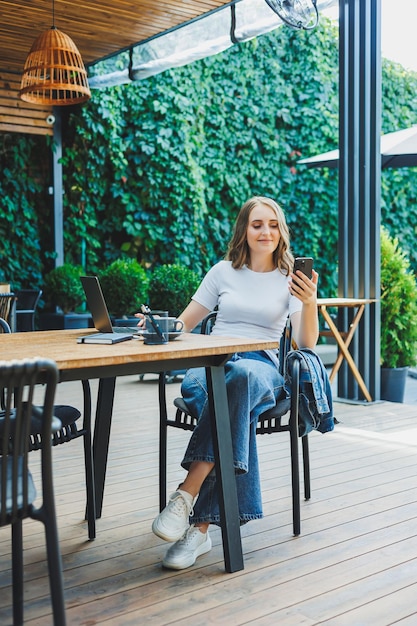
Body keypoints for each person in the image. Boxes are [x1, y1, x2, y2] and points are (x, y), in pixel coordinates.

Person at [151, 196, 319, 570]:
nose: (266, 232)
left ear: (282, 231)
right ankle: (201, 530)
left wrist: (310, 304)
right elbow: (186, 323)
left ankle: (187, 496)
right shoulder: (222, 271)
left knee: (240, 381)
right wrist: (157, 328)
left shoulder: (290, 280)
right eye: (258, 224)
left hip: (260, 367)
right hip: (210, 364)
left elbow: (305, 344)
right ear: (244, 228)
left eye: (273, 224)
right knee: (231, 406)